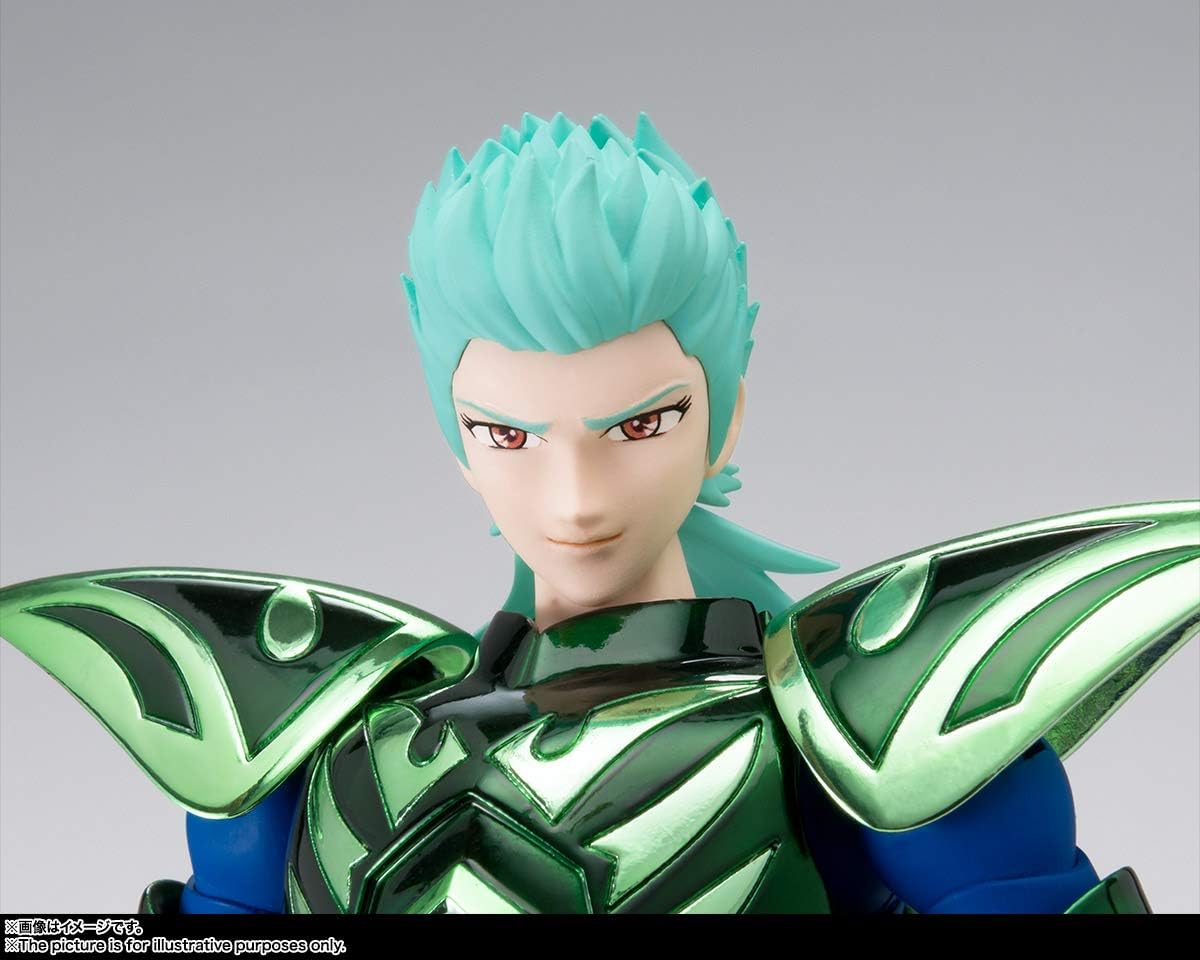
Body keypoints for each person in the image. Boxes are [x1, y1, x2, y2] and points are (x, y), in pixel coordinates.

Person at [1, 112, 1194, 914]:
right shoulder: (310, 747)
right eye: (509, 435)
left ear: (723, 420)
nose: (574, 498)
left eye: (640, 424)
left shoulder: (865, 734)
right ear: (456, 443)